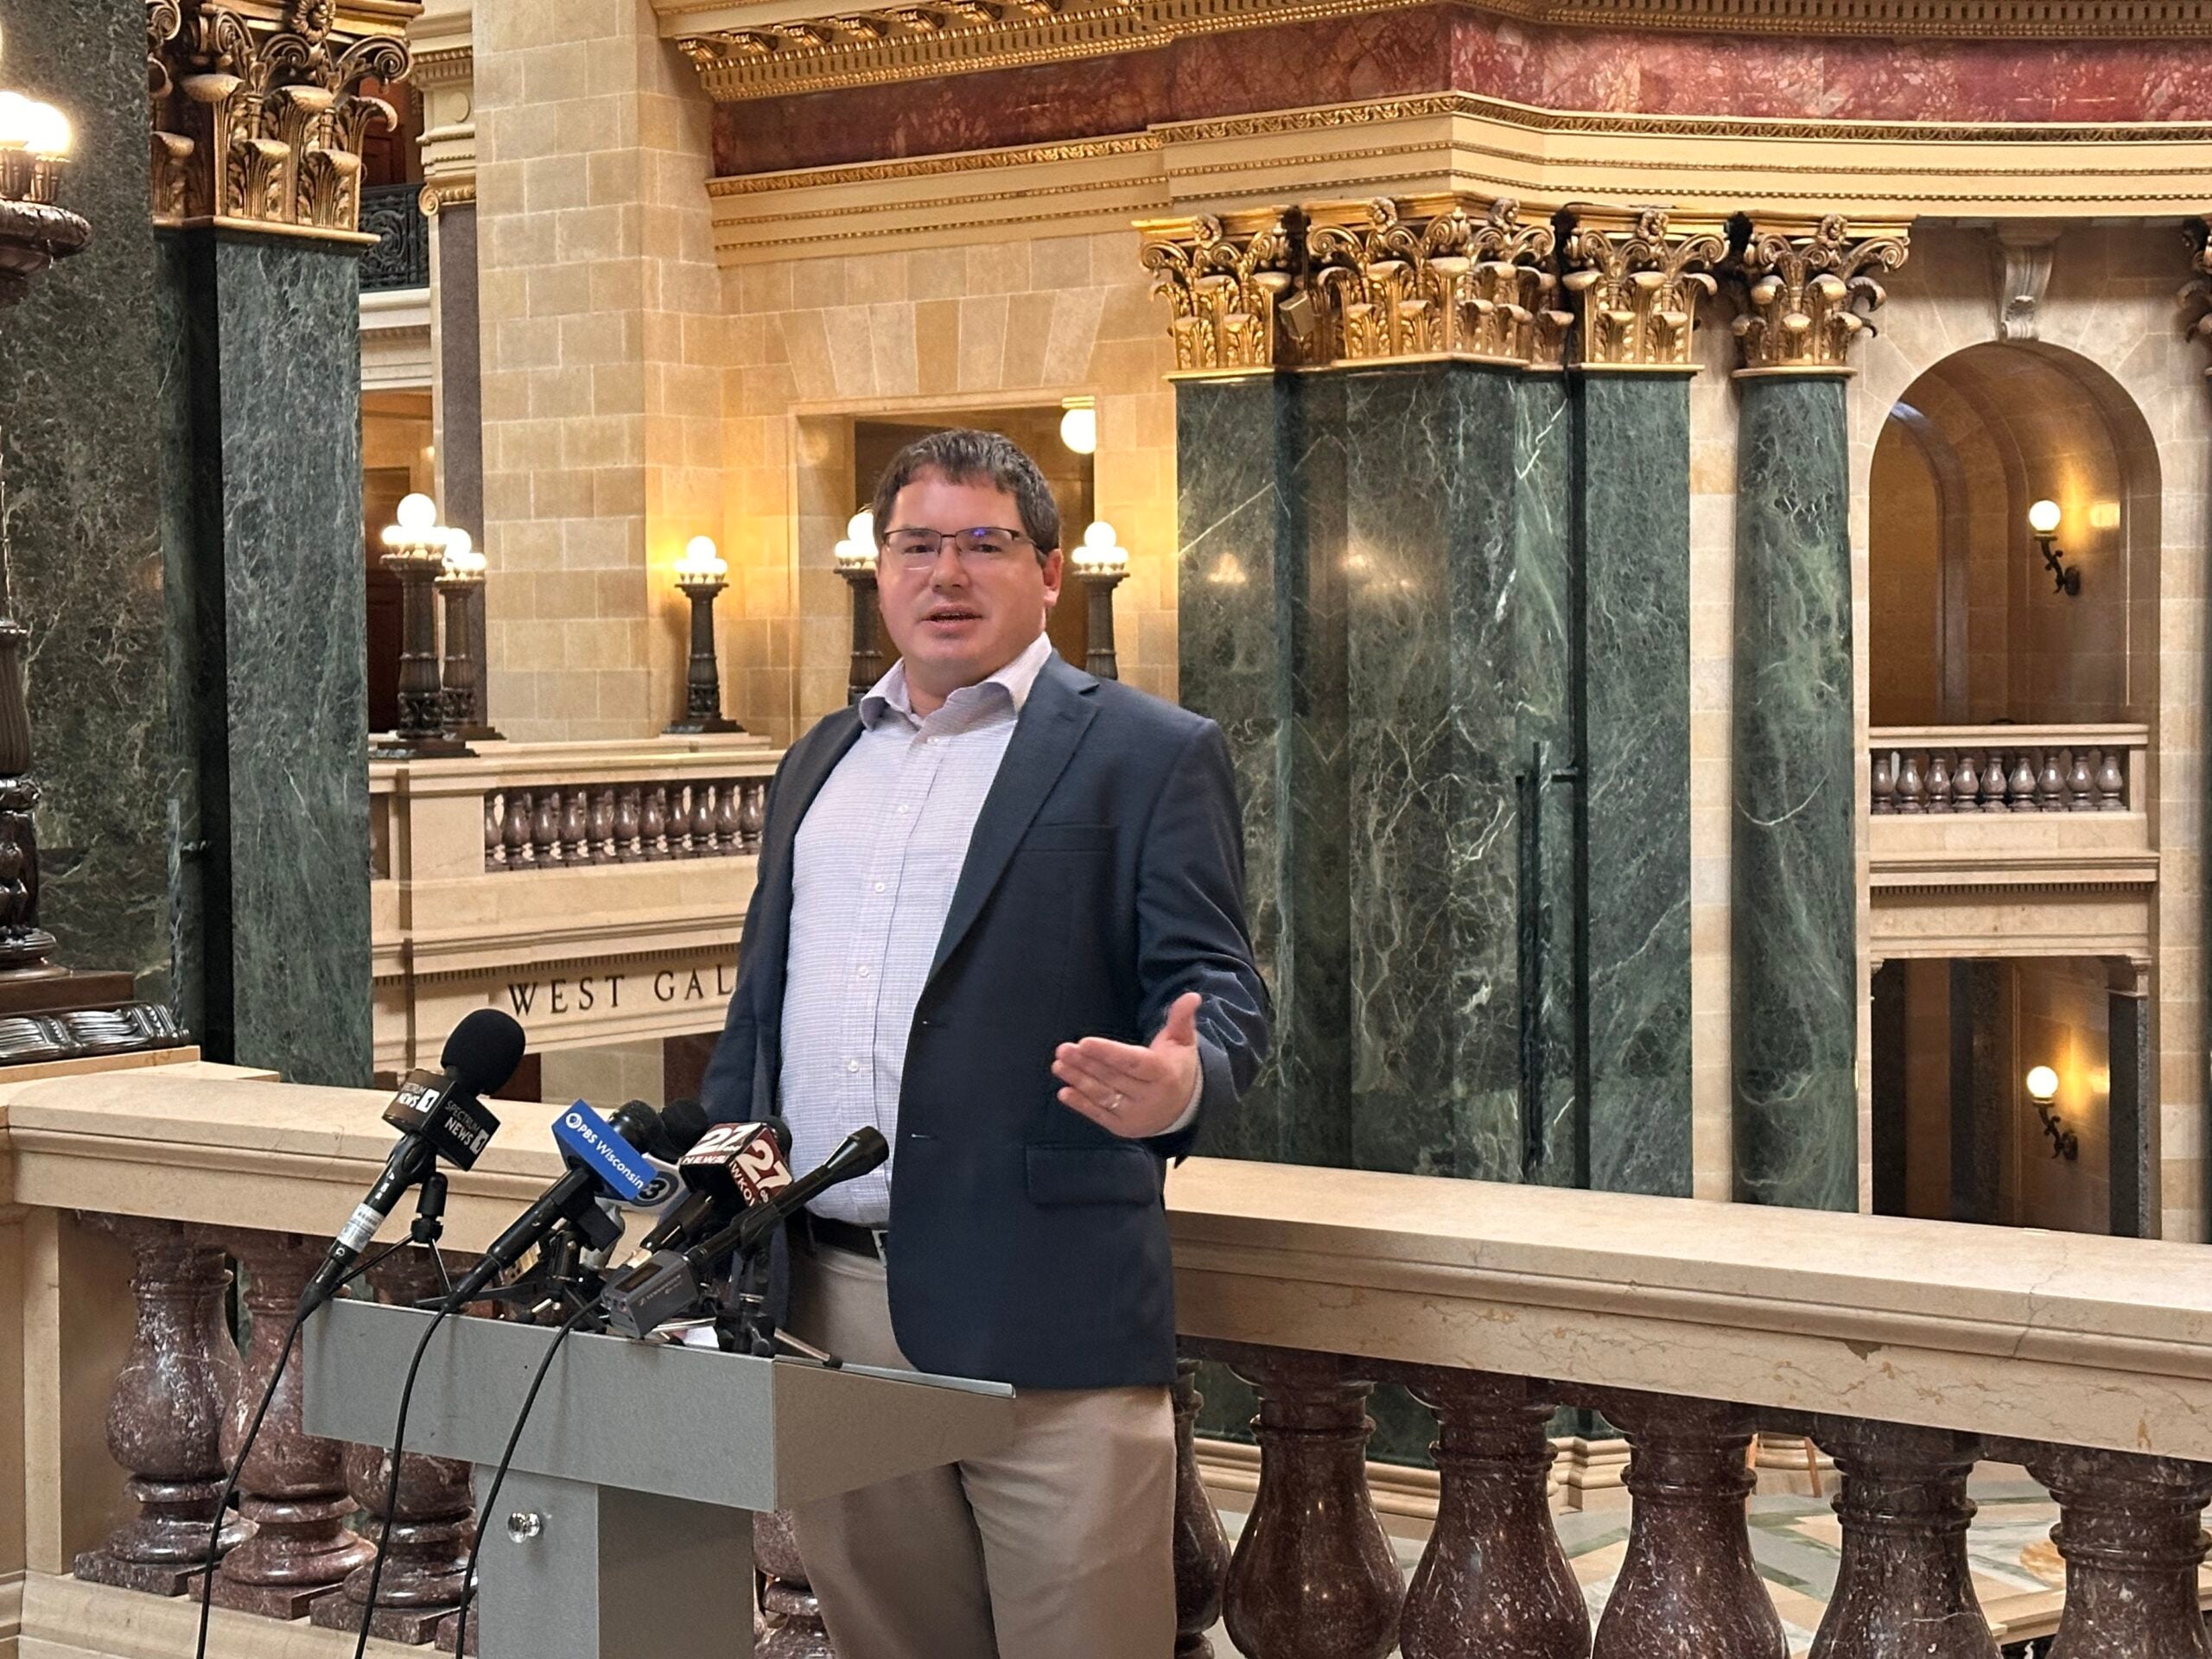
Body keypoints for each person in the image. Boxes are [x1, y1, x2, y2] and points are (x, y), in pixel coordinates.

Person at [699, 426, 1268, 1658]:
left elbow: (1221, 994)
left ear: (1049, 574)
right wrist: (725, 1155)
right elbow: (763, 1005)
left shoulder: (1147, 754)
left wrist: (1179, 1083)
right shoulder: (820, 760)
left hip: (1048, 1316)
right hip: (829, 1308)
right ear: (879, 570)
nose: (944, 575)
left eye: (982, 544)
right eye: (915, 545)